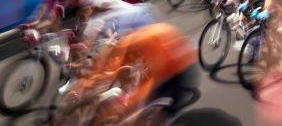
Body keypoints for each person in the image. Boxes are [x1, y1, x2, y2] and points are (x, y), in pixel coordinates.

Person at [70, 22, 199, 124]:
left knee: (153, 115)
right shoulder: (132, 42)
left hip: (181, 72)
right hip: (166, 59)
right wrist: (92, 80)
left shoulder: (151, 47)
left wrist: (133, 103)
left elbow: (153, 84)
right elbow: (111, 63)